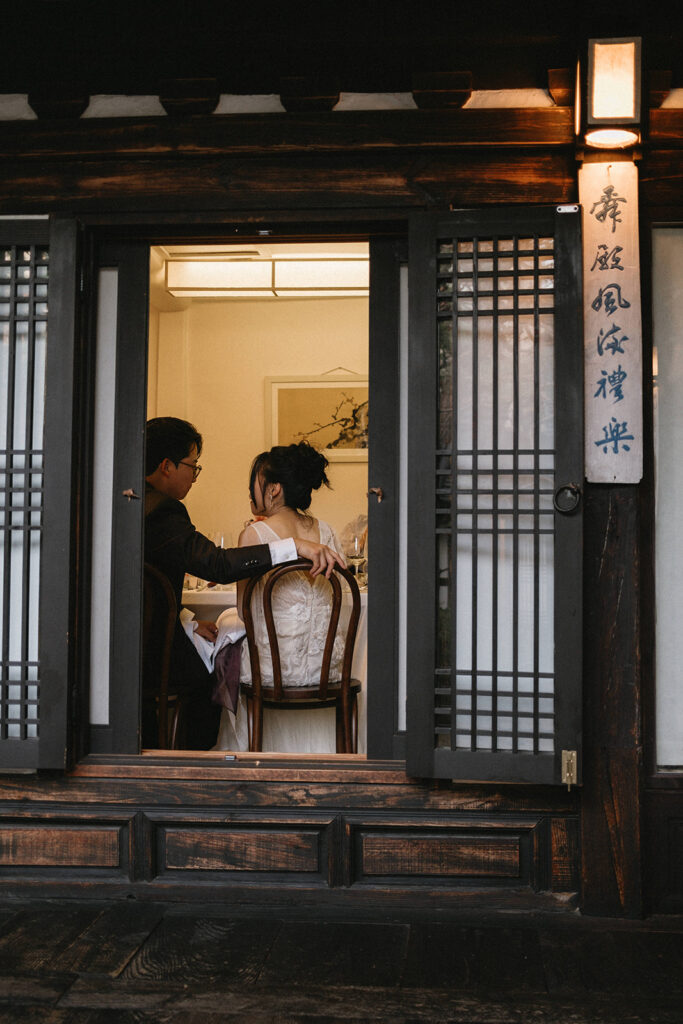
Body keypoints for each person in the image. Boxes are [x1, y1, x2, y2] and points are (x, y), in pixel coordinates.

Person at [144, 417, 341, 750]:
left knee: (221, 657)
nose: (194, 475)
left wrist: (187, 621)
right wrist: (294, 546)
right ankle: (183, 762)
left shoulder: (136, 501)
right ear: (166, 466)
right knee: (207, 681)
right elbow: (218, 565)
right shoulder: (162, 510)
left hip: (141, 638)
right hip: (146, 651)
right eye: (193, 466)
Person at [236, 442, 347, 751]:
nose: (251, 492)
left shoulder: (254, 535)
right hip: (328, 672)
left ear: (273, 490)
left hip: (274, 674)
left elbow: (245, 612)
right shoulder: (327, 531)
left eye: (256, 484)